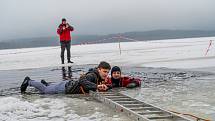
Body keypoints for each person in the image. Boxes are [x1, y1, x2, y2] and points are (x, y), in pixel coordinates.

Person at [20, 61, 111, 94]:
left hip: (67, 85)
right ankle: (28, 81)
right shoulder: (92, 75)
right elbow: (82, 80)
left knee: (48, 87)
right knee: (45, 90)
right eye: (104, 71)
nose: (106, 74)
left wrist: (107, 86)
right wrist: (97, 86)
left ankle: (47, 83)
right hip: (65, 88)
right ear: (99, 69)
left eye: (107, 72)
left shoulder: (99, 77)